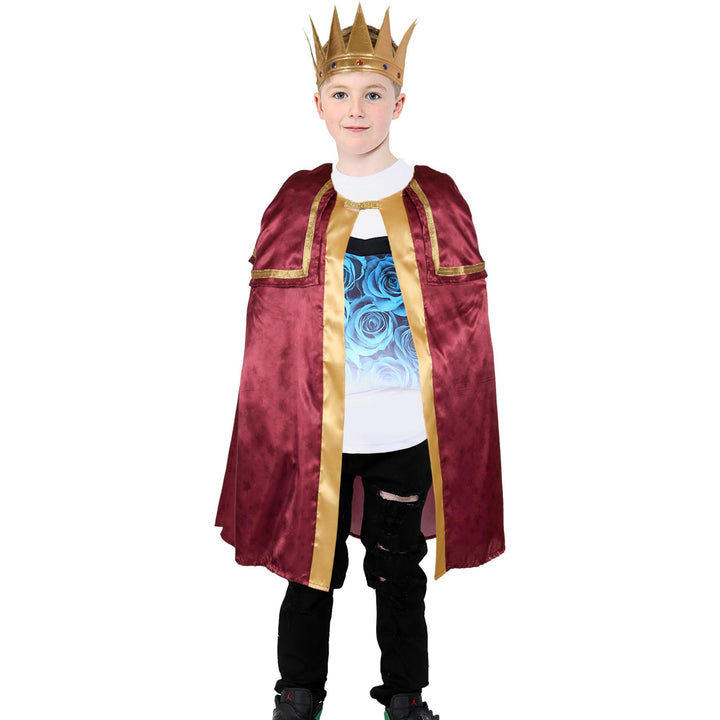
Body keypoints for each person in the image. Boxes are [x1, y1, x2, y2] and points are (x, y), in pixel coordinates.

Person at [215, 5, 505, 719]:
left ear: (398, 104)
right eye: (340, 94)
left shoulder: (438, 198)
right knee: (308, 569)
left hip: (404, 434)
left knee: (398, 570)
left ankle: (405, 696)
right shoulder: (295, 201)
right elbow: (270, 336)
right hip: (316, 431)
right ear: (317, 105)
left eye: (373, 94)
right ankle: (298, 692)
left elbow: (465, 329)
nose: (356, 109)